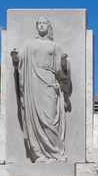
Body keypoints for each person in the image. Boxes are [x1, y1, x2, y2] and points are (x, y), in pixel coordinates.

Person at [10, 17, 71, 162]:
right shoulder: (28, 45)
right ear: (37, 26)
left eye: (44, 23)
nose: (42, 26)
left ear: (48, 27)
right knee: (34, 118)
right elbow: (20, 62)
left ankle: (56, 153)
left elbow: (60, 71)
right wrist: (15, 58)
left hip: (49, 82)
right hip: (33, 84)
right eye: (39, 23)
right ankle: (39, 154)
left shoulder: (55, 46)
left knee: (50, 119)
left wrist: (63, 64)